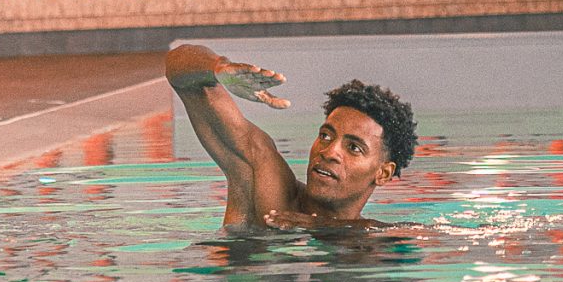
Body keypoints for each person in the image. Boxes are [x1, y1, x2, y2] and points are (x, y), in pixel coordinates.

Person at [163, 41, 417, 232]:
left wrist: (329, 227)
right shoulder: (265, 184)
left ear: (383, 173)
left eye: (353, 148)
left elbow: (435, 235)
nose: (329, 152)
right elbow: (177, 69)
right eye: (326, 136)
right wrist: (216, 67)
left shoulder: (382, 238)